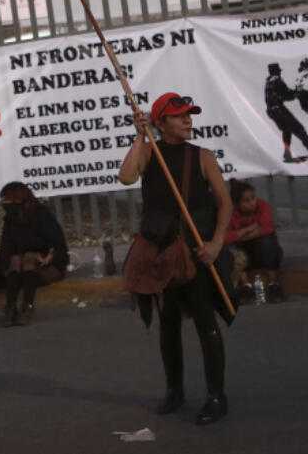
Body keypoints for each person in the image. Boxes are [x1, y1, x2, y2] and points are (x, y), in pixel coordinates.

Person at [119, 92, 232, 425]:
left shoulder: (203, 156)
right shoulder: (149, 153)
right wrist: (141, 136)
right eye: (179, 115)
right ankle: (174, 391)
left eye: (189, 115)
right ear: (161, 123)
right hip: (161, 254)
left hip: (196, 254)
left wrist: (216, 243)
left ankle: (216, 396)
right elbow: (126, 176)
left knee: (205, 323)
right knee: (168, 327)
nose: (187, 120)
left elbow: (224, 203)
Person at [0, 181, 67, 326]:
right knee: (17, 258)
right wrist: (6, 268)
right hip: (20, 268)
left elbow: (57, 242)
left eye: (6, 200)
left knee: (27, 257)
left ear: (18, 199)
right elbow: (6, 247)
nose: (4, 204)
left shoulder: (41, 214)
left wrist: (47, 256)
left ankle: (27, 306)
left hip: (48, 265)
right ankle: (10, 308)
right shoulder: (10, 220)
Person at [225, 180, 284, 303]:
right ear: (237, 204)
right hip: (244, 255)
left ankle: (274, 284)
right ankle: (246, 286)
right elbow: (226, 237)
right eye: (246, 201)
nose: (252, 203)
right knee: (233, 249)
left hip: (263, 253)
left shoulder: (263, 205)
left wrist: (240, 235)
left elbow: (267, 228)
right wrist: (249, 229)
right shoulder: (230, 212)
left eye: (253, 198)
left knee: (267, 242)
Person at [265, 63, 308, 162]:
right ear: (276, 71)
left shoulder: (268, 82)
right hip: (279, 109)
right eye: (279, 70)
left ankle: (287, 153)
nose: (280, 72)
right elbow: (287, 94)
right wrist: (297, 93)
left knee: (287, 130)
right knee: (298, 128)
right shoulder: (277, 80)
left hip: (271, 111)